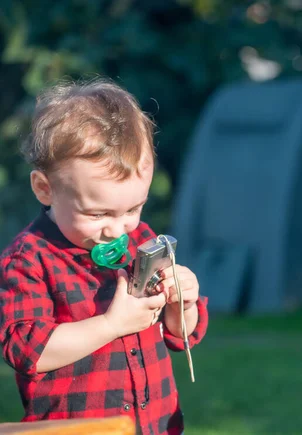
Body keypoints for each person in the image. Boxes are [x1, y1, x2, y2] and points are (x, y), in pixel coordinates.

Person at [0, 79, 208, 435]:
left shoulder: (140, 239)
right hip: (76, 428)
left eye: (133, 208)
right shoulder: (28, 259)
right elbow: (27, 352)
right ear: (45, 189)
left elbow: (180, 335)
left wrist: (182, 303)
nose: (117, 230)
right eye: (98, 214)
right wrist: (112, 325)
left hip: (155, 425)